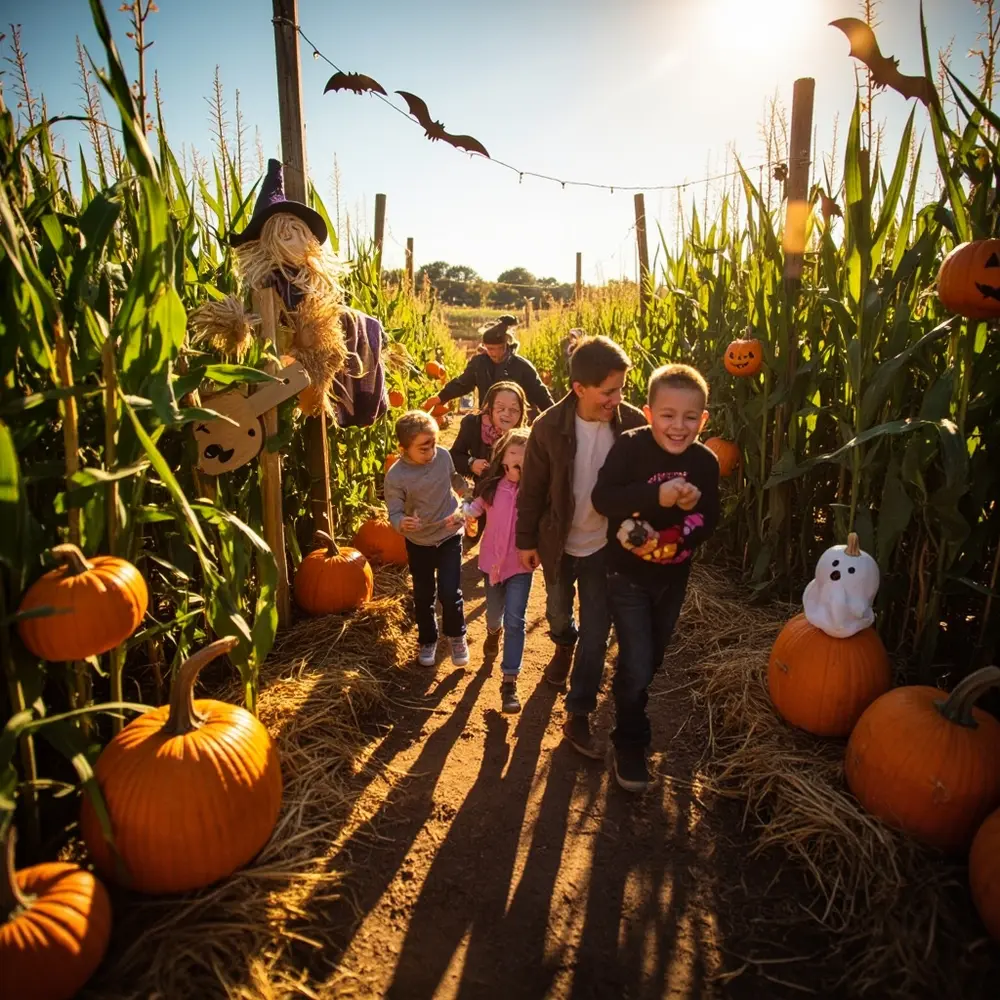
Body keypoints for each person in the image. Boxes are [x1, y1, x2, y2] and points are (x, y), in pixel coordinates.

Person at [515, 334, 647, 758]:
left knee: (597, 632)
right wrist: (525, 541)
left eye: (621, 389)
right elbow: (531, 490)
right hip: (558, 543)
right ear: (579, 389)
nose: (617, 398)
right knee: (558, 614)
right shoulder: (548, 427)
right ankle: (560, 643)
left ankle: (577, 714)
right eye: (609, 391)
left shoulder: (629, 424)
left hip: (603, 548)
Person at [592, 363, 720, 792]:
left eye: (689, 418)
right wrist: (656, 495)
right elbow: (603, 498)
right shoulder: (631, 448)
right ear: (648, 414)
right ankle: (630, 740)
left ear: (703, 420)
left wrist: (692, 514)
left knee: (652, 660)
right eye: (667, 415)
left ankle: (629, 688)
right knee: (640, 661)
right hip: (625, 573)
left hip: (672, 577)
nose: (678, 426)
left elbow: (711, 518)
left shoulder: (705, 462)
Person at [385, 410, 469, 668]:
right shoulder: (396, 476)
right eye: (423, 448)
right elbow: (395, 512)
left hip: (448, 534)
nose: (431, 451)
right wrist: (402, 523)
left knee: (449, 591)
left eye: (433, 444)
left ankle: (456, 636)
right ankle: (428, 639)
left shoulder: (442, 456)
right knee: (423, 594)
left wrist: (467, 495)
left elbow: (454, 479)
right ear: (403, 448)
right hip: (419, 542)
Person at [462, 427, 534, 714]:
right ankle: (493, 632)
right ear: (503, 457)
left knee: (516, 621)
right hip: (491, 563)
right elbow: (474, 509)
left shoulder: (534, 493)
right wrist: (457, 516)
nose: (519, 460)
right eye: (514, 453)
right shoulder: (492, 488)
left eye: (526, 456)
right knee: (495, 616)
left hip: (520, 566)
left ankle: (509, 680)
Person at [423, 314, 553, 415]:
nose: (495, 353)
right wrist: (440, 397)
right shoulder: (479, 363)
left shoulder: (522, 366)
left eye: (500, 348)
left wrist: (555, 416)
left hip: (516, 422)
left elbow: (541, 394)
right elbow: (462, 383)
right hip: (487, 419)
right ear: (484, 346)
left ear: (506, 345)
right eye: (490, 349)